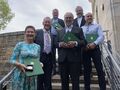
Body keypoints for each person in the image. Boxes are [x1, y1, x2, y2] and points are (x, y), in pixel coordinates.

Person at [56, 12, 85, 90]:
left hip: (75, 60)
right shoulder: (60, 31)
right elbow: (55, 43)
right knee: (64, 83)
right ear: (64, 19)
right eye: (66, 18)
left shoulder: (79, 29)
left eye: (70, 18)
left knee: (75, 82)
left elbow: (83, 42)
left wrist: (75, 43)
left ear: (73, 19)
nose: (68, 19)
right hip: (63, 60)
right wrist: (60, 44)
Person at [9, 25, 40, 90]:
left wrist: (40, 64)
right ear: (25, 33)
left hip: (32, 75)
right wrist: (19, 65)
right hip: (20, 74)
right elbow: (12, 59)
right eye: (28, 32)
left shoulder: (38, 47)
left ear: (35, 34)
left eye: (32, 32)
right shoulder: (19, 45)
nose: (30, 33)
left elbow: (37, 61)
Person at [82, 12, 106, 90]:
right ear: (85, 18)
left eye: (90, 16)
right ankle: (87, 88)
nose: (89, 17)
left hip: (95, 49)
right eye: (87, 16)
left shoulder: (97, 26)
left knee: (99, 69)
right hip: (85, 50)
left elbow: (101, 36)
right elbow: (81, 39)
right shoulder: (81, 28)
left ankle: (102, 88)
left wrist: (94, 43)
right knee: (86, 71)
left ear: (92, 18)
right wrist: (84, 46)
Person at [34, 17, 55, 90]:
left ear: (51, 24)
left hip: (49, 58)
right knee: (39, 80)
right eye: (45, 22)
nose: (47, 23)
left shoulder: (52, 35)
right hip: (39, 58)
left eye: (48, 22)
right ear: (43, 23)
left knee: (48, 80)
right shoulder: (37, 32)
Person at [51, 9, 65, 75]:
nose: (55, 14)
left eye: (56, 13)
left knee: (60, 54)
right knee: (52, 54)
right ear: (52, 13)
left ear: (58, 13)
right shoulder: (50, 21)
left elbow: (63, 30)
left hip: (59, 38)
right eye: (54, 13)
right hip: (51, 38)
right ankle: (53, 69)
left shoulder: (61, 21)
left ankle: (60, 69)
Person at [73, 5, 86, 76]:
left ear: (82, 11)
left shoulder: (86, 18)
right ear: (76, 12)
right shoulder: (74, 20)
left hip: (84, 40)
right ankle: (80, 71)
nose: (79, 12)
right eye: (77, 11)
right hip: (76, 41)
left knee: (85, 57)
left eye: (80, 10)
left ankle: (87, 72)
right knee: (78, 56)